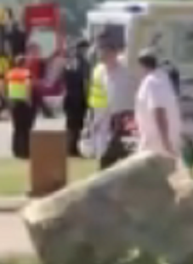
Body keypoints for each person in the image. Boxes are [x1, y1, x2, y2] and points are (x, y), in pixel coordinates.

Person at [86, 38, 134, 169]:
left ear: (114, 53)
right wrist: (98, 120)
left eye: (105, 53)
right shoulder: (101, 72)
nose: (102, 57)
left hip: (131, 116)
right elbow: (105, 99)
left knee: (127, 153)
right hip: (116, 118)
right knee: (111, 155)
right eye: (100, 54)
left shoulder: (126, 65)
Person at [134, 48, 183, 159]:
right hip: (157, 138)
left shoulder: (153, 82)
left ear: (141, 65)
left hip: (156, 141)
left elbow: (159, 111)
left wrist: (165, 141)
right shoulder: (160, 79)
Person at [63, 39, 91, 156]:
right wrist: (88, 97)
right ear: (83, 49)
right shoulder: (84, 63)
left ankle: (68, 147)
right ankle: (73, 149)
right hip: (79, 97)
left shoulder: (68, 62)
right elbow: (85, 82)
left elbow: (63, 79)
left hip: (68, 95)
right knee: (77, 125)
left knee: (70, 124)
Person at [6, 55, 36, 159]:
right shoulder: (26, 73)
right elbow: (28, 86)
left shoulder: (10, 73)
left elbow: (8, 88)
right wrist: (29, 101)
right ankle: (26, 152)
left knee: (17, 129)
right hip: (23, 103)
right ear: (23, 63)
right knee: (26, 129)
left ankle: (16, 151)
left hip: (14, 103)